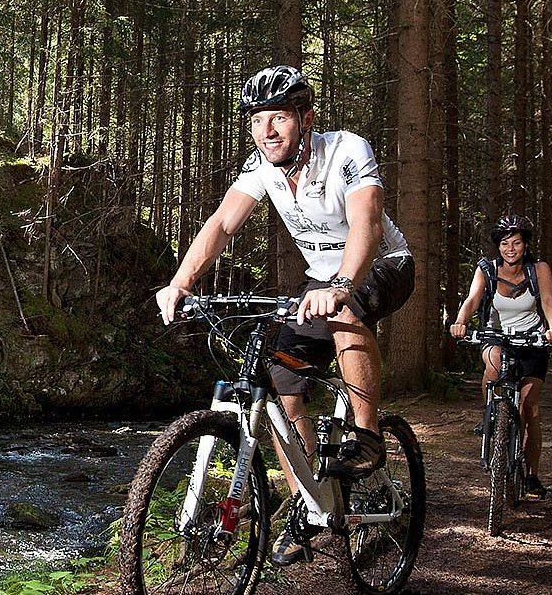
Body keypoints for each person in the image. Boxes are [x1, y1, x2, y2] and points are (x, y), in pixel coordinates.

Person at [154, 65, 415, 565]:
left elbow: (367, 223)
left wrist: (342, 284)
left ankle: (367, 437)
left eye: (277, 118)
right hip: (321, 279)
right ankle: (307, 503)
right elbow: (221, 225)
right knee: (277, 380)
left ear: (305, 118)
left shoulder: (346, 150)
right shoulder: (261, 167)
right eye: (256, 120)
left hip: (382, 265)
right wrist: (181, 282)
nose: (266, 130)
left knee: (346, 315)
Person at [449, 215, 552, 499]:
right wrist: (461, 320)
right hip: (497, 337)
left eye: (516, 243)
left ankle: (532, 475)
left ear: (525, 245)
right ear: (497, 247)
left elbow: (548, 300)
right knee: (494, 362)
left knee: (529, 409)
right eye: (504, 244)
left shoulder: (539, 269)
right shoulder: (486, 270)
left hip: (532, 341)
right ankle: (491, 415)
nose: (510, 249)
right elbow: (473, 299)